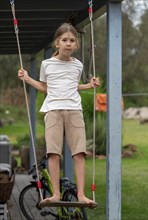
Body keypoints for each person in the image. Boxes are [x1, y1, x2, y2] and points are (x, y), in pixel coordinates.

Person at [18, 23, 100, 204]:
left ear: (76, 45)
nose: (68, 43)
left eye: (72, 40)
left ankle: (81, 195)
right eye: (64, 40)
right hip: (53, 111)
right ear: (57, 43)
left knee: (79, 153)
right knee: (53, 154)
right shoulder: (46, 64)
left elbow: (71, 86)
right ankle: (56, 194)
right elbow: (46, 88)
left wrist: (89, 85)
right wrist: (28, 78)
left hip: (74, 111)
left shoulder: (77, 65)